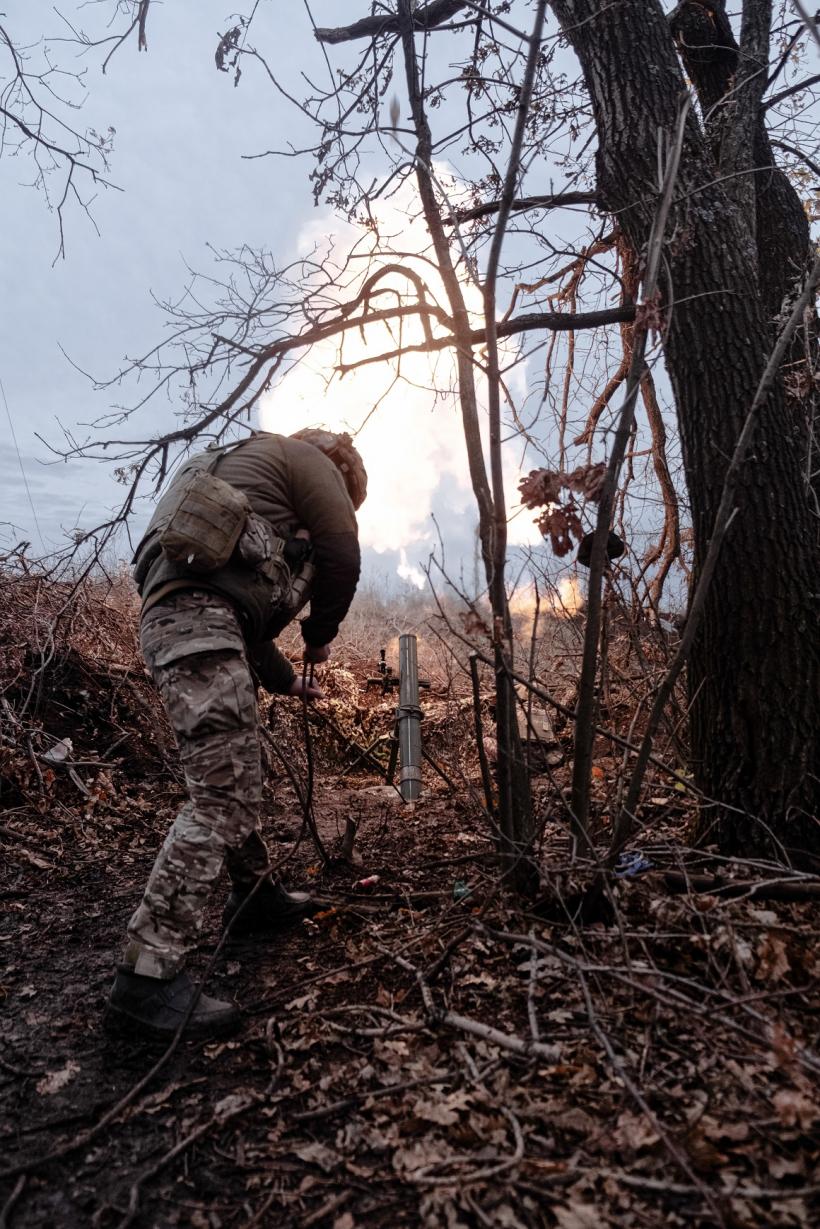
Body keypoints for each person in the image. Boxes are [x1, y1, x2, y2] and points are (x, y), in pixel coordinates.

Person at [106, 428, 366, 1039]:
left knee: (236, 771)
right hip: (200, 622)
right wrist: (320, 634)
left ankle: (254, 899)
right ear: (342, 469)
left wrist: (288, 683)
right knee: (223, 796)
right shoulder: (309, 460)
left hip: (187, 619)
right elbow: (343, 552)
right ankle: (145, 979)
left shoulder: (234, 469)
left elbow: (244, 624)